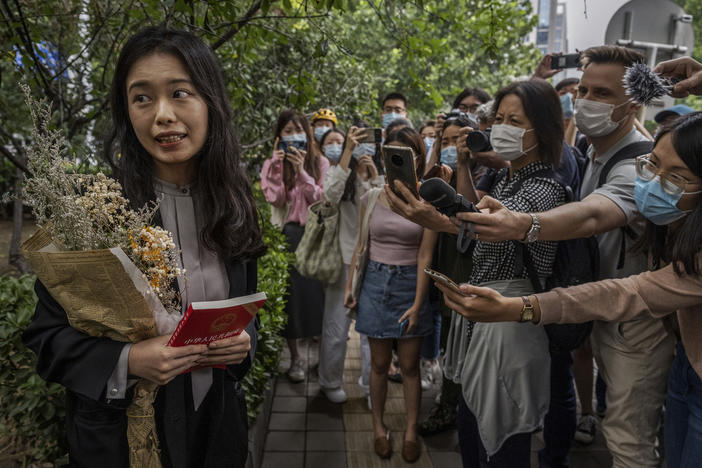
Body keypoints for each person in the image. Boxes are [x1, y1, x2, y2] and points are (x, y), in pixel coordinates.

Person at [23, 27, 263, 467]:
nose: (163, 115)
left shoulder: (233, 204)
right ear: (126, 112)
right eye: (142, 98)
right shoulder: (94, 215)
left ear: (210, 101)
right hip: (124, 439)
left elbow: (246, 310)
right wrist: (128, 359)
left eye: (180, 92)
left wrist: (244, 340)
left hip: (217, 429)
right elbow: (46, 338)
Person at [436, 109, 702, 468]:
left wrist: (519, 306)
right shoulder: (671, 217)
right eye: (651, 164)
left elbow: (629, 291)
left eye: (676, 178)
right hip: (688, 363)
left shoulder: (546, 185)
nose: (654, 182)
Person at [344, 127, 435, 463]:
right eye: (393, 153)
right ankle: (378, 426)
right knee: (379, 364)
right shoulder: (371, 197)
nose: (398, 160)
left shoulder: (428, 199)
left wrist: (417, 302)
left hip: (412, 282)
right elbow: (360, 247)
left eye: (406, 153)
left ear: (418, 159)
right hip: (375, 284)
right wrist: (349, 288)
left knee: (410, 365)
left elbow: (426, 255)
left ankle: (411, 429)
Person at [260, 109, 329, 383]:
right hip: (289, 235)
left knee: (319, 297)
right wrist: (278, 168)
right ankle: (296, 358)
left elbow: (321, 199)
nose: (293, 136)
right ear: (279, 137)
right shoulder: (271, 164)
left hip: (316, 235)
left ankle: (325, 359)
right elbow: (275, 200)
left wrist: (301, 172)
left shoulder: (320, 163)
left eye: (298, 130)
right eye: (287, 131)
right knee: (292, 300)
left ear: (308, 134)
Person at [318, 126, 384, 404]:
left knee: (373, 332)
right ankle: (329, 381)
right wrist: (346, 154)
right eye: (357, 143)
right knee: (336, 325)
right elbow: (329, 197)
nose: (363, 149)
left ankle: (371, 388)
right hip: (345, 259)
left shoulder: (380, 175)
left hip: (379, 261)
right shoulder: (339, 173)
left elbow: (387, 209)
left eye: (368, 143)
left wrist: (374, 177)